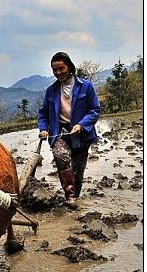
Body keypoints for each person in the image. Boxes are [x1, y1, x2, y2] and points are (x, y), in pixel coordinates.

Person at [38, 52, 101, 202]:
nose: (58, 72)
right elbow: (43, 113)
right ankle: (70, 196)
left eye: (61, 68)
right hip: (60, 133)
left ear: (69, 67)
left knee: (77, 171)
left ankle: (75, 196)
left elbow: (94, 110)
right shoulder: (51, 91)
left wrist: (81, 124)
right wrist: (44, 129)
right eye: (54, 70)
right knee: (61, 157)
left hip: (81, 135)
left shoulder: (86, 86)